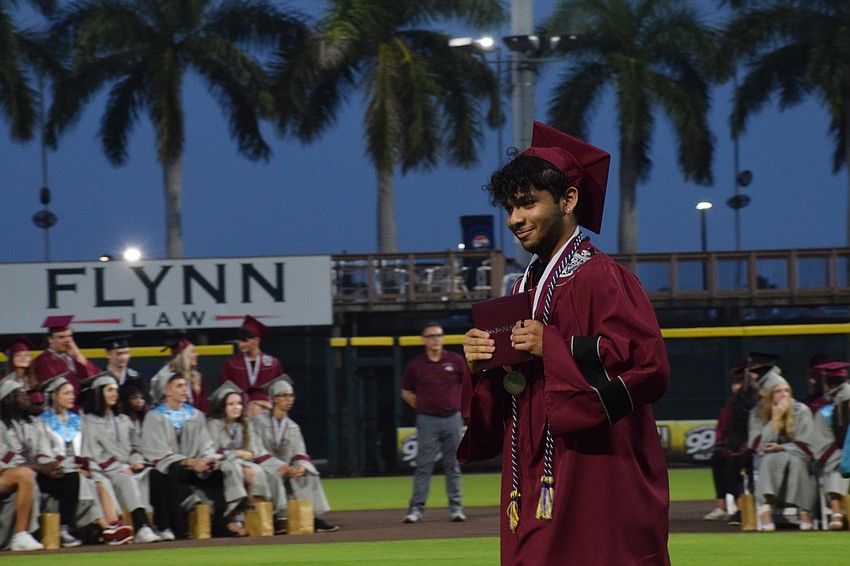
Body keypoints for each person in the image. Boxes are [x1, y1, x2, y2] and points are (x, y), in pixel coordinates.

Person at [461, 122, 670, 565]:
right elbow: (514, 397)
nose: (515, 219)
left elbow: (648, 365)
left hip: (597, 473)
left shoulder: (602, 277)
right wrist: (482, 367)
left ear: (568, 199)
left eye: (528, 203)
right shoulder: (523, 287)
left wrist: (552, 345)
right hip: (534, 476)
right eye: (510, 207)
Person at [140, 370, 243, 539]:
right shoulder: (154, 416)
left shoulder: (196, 415)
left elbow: (206, 445)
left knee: (221, 470)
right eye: (179, 386)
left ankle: (220, 523)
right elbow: (156, 452)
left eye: (185, 386)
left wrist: (209, 460)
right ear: (167, 391)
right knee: (173, 469)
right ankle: (177, 527)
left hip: (196, 466)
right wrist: (189, 462)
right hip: (169, 468)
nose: (184, 390)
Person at [38, 374, 134, 545]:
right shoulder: (41, 422)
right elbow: (43, 452)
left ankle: (113, 524)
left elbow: (86, 449)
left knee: (100, 480)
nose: (72, 397)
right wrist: (72, 467)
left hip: (80, 468)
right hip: (57, 472)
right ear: (54, 395)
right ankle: (105, 528)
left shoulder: (77, 420)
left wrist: (86, 466)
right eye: (66, 393)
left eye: (72, 393)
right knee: (86, 482)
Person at [80, 372, 161, 543]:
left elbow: (134, 446)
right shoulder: (89, 421)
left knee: (149, 474)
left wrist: (135, 461)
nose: (114, 394)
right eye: (109, 390)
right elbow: (93, 453)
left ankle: (152, 525)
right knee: (126, 480)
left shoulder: (123, 419)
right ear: (99, 393)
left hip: (126, 468)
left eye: (116, 390)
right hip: (104, 471)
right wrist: (120, 466)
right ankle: (141, 527)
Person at [252, 375, 338, 533]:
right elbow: (256, 450)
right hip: (265, 468)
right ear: (274, 399)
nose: (289, 399)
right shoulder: (258, 422)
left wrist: (300, 467)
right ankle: (280, 518)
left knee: (309, 474)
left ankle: (312, 517)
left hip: (287, 469)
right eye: (284, 395)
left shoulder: (293, 427)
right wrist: (279, 465)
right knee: (274, 474)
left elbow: (300, 453)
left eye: (291, 395)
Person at [400, 321, 466, 524]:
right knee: (423, 465)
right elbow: (406, 392)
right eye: (431, 336)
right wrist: (422, 406)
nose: (435, 339)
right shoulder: (416, 365)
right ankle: (416, 509)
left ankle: (456, 508)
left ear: (443, 338)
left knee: (453, 465)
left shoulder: (455, 360)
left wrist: (456, 402)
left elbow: (467, 385)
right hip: (427, 419)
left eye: (438, 335)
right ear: (424, 340)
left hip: (452, 418)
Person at [206, 381, 277, 528]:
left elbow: (252, 451)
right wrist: (236, 453)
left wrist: (244, 455)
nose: (236, 407)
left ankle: (252, 514)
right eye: (231, 404)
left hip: (242, 462)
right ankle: (237, 514)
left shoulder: (245, 423)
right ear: (223, 406)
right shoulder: (213, 424)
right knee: (244, 472)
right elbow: (211, 451)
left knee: (257, 472)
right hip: (221, 463)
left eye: (238, 403)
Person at [752, 373, 817, 531]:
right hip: (767, 460)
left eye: (787, 390)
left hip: (799, 458)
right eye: (778, 391)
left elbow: (808, 446)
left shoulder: (801, 411)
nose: (784, 395)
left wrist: (783, 448)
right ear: (769, 395)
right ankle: (765, 509)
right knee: (769, 458)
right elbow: (759, 446)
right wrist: (776, 418)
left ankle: (804, 511)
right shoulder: (757, 413)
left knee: (796, 460)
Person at [705, 366, 757, 525]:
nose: (736, 386)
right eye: (734, 383)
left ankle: (741, 509)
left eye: (740, 382)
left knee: (734, 463)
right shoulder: (730, 405)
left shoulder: (751, 402)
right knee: (718, 459)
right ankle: (722, 507)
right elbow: (721, 428)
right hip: (732, 445)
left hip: (749, 446)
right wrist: (721, 445)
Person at [0, 378, 44, 551]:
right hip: (5, 469)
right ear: (8, 400)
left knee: (28, 474)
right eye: (20, 394)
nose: (26, 397)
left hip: (9, 471)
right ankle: (21, 535)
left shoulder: (29, 423)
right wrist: (36, 467)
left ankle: (22, 535)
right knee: (25, 473)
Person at [809, 361, 850, 530]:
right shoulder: (825, 413)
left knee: (837, 467)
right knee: (837, 469)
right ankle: (837, 514)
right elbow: (824, 445)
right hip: (839, 457)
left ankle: (837, 514)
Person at [32, 316, 101, 397]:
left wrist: (77, 353)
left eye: (69, 336)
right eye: (61, 337)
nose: (67, 341)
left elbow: (91, 377)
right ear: (50, 339)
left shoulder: (73, 357)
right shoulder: (42, 361)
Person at [218, 316, 284, 397]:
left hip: (266, 408)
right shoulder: (231, 364)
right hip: (240, 408)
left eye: (245, 341)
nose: (240, 345)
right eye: (240, 341)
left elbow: (281, 391)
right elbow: (224, 392)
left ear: (256, 340)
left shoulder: (273, 364)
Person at [150, 339, 209, 414]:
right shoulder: (166, 376)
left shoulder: (198, 378)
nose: (197, 354)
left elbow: (203, 407)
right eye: (193, 352)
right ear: (183, 355)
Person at [102, 334, 149, 402]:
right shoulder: (101, 379)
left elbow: (146, 402)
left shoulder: (137, 379)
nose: (124, 357)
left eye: (126, 353)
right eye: (119, 354)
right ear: (108, 354)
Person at [1, 337, 41, 406]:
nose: (23, 358)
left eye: (26, 355)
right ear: (11, 359)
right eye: (18, 355)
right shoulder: (3, 379)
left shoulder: (34, 379)